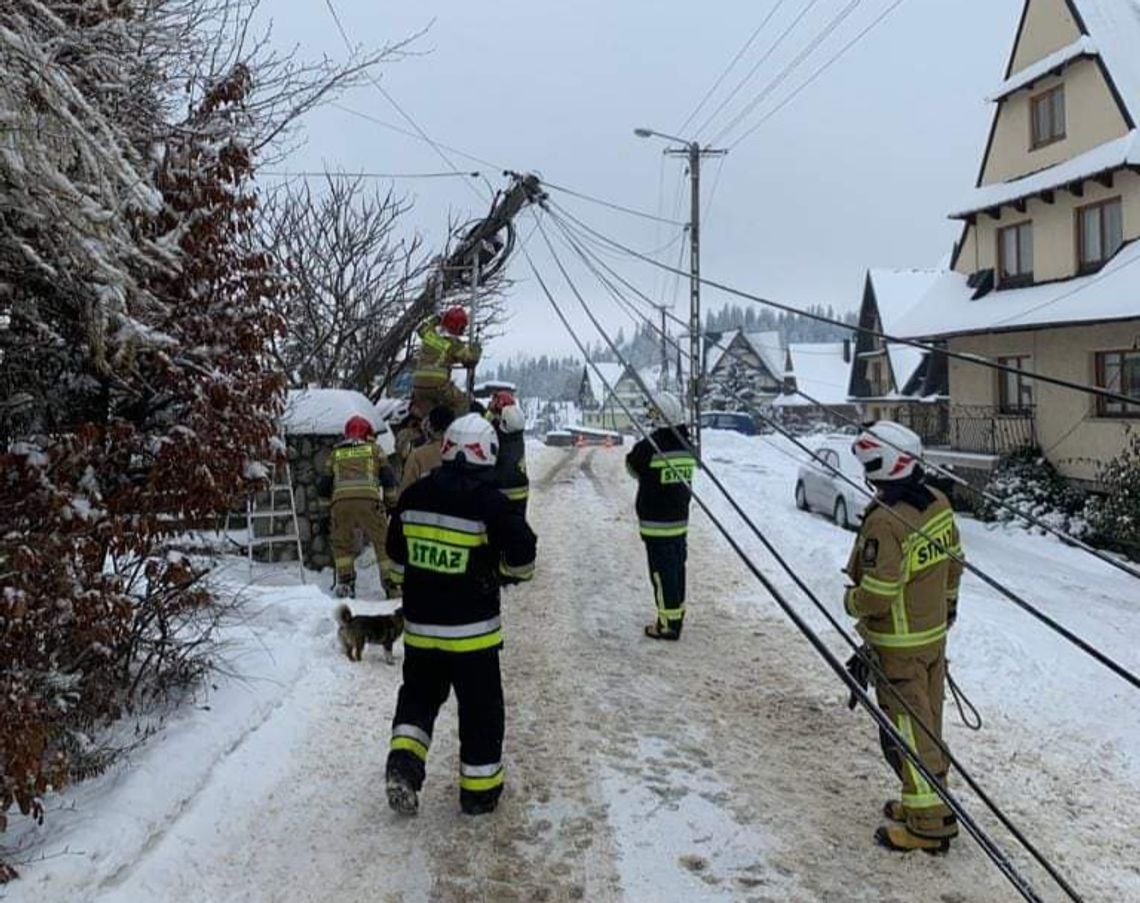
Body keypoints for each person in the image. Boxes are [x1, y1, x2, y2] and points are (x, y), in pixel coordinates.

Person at [384, 413, 537, 817]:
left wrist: (416, 580)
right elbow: (524, 550)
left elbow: (396, 564)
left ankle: (403, 764)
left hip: (420, 632)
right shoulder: (490, 503)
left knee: (417, 700)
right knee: (481, 712)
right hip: (473, 636)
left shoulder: (413, 497)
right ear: (486, 453)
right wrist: (506, 573)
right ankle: (479, 793)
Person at [843, 421, 963, 853]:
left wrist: (851, 602)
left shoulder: (885, 523)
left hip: (899, 647)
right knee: (928, 726)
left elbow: (878, 593)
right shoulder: (938, 504)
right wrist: (948, 607)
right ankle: (926, 802)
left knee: (910, 733)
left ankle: (929, 827)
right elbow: (954, 564)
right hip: (932, 639)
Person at [624, 391, 697, 640]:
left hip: (656, 524)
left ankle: (667, 625)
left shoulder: (651, 446)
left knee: (661, 573)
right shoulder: (687, 445)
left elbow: (631, 466)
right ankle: (676, 615)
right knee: (676, 570)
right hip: (679, 522)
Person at [321, 415, 400, 599]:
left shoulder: (336, 453)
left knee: (342, 544)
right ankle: (391, 584)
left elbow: (324, 485)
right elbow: (388, 480)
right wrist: (391, 505)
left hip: (341, 504)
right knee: (383, 543)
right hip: (369, 502)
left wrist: (326, 512)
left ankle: (346, 583)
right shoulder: (375, 450)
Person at [410, 306, 481, 419]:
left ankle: (426, 429)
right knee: (462, 402)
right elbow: (470, 360)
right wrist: (476, 348)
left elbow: (421, 328)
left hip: (418, 386)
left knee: (428, 415)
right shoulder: (454, 345)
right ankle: (454, 429)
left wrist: (437, 318)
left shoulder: (430, 335)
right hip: (438, 386)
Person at [397, 405, 455, 499]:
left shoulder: (418, 456)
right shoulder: (462, 453)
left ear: (430, 426)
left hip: (424, 509)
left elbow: (404, 492)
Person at [486, 390, 529, 516]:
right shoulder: (516, 432)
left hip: (502, 488)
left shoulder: (498, 434)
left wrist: (490, 412)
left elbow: (485, 427)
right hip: (521, 488)